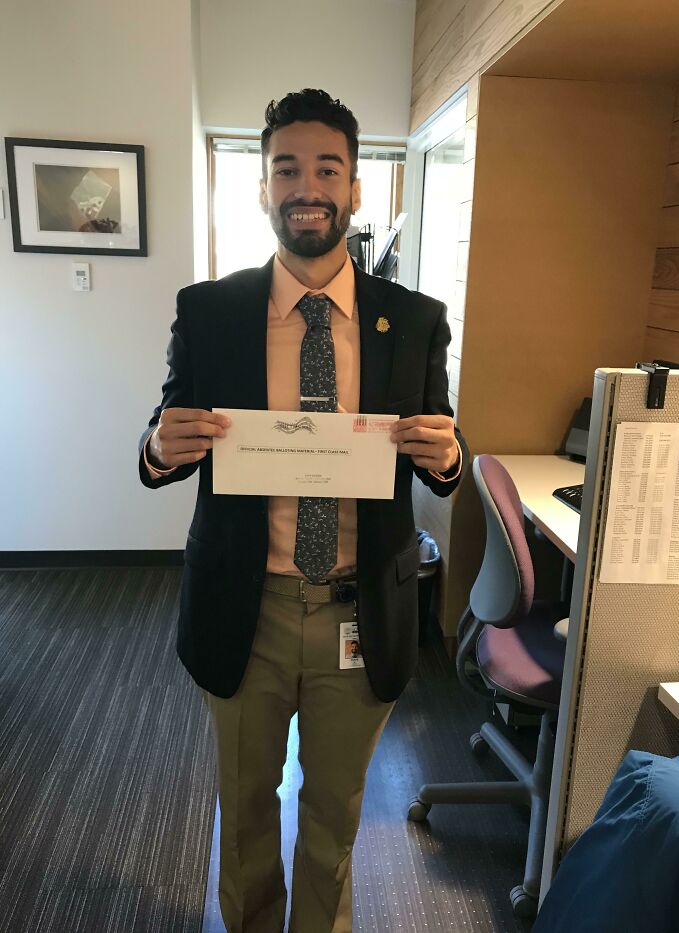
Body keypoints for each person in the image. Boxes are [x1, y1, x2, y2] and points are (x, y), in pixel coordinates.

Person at [139, 88, 467, 933]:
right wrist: (158, 447)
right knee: (244, 820)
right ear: (263, 187)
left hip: (362, 610)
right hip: (248, 608)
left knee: (335, 821)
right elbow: (165, 438)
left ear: (356, 187)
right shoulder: (210, 312)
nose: (306, 186)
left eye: (327, 168)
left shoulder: (416, 322)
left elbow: (437, 466)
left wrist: (451, 455)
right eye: (286, 168)